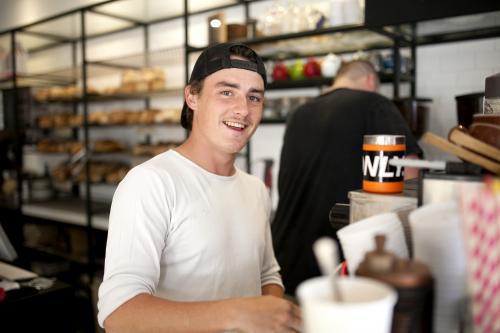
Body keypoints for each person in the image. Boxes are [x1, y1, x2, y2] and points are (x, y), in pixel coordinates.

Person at [97, 42, 302, 333]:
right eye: (227, 92)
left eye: (254, 97)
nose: (243, 109)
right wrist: (239, 314)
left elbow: (268, 274)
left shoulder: (255, 189)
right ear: (192, 96)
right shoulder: (150, 183)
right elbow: (119, 314)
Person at [271, 60, 423, 295]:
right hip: (338, 268)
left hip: (284, 265)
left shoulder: (298, 113)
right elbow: (409, 176)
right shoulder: (375, 103)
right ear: (371, 81)